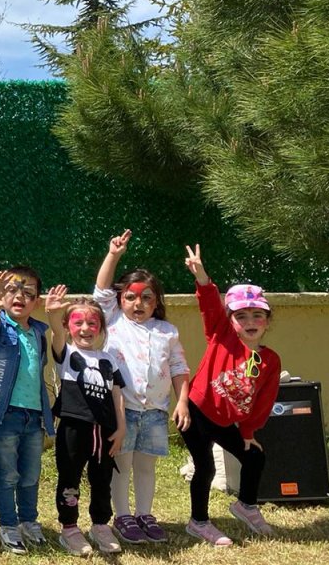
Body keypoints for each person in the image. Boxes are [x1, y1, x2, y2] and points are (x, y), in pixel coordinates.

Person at [179, 244, 282, 547]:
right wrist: (201, 277)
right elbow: (210, 304)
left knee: (255, 456)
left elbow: (263, 401)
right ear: (231, 321)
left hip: (225, 420)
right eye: (242, 316)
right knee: (205, 467)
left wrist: (247, 432)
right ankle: (198, 522)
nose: (250, 322)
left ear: (267, 321)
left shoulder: (269, 360)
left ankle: (245, 505)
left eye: (257, 315)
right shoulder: (221, 336)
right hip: (197, 411)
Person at [95, 230, 189, 544]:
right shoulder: (112, 322)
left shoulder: (167, 331)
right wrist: (114, 255)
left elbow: (178, 367)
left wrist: (182, 401)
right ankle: (122, 516)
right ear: (120, 300)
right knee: (121, 465)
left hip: (156, 412)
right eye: (131, 297)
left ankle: (145, 514)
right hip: (123, 411)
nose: (139, 303)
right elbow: (100, 290)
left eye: (147, 297)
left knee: (146, 466)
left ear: (157, 301)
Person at [44, 289, 127, 556]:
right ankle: (69, 528)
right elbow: (55, 334)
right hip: (72, 428)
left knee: (102, 479)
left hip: (104, 431)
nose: (85, 328)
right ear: (69, 327)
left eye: (92, 323)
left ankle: (100, 525)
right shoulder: (65, 353)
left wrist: (121, 427)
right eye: (78, 322)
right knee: (69, 479)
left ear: (101, 328)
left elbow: (117, 393)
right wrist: (52, 314)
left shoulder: (108, 359)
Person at [0, 267, 55, 555]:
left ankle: (28, 521)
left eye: (28, 293)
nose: (19, 297)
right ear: (1, 298)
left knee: (30, 474)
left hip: (33, 416)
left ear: (36, 301)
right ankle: (9, 525)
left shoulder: (39, 333)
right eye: (11, 290)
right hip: (4, 415)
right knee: (7, 474)